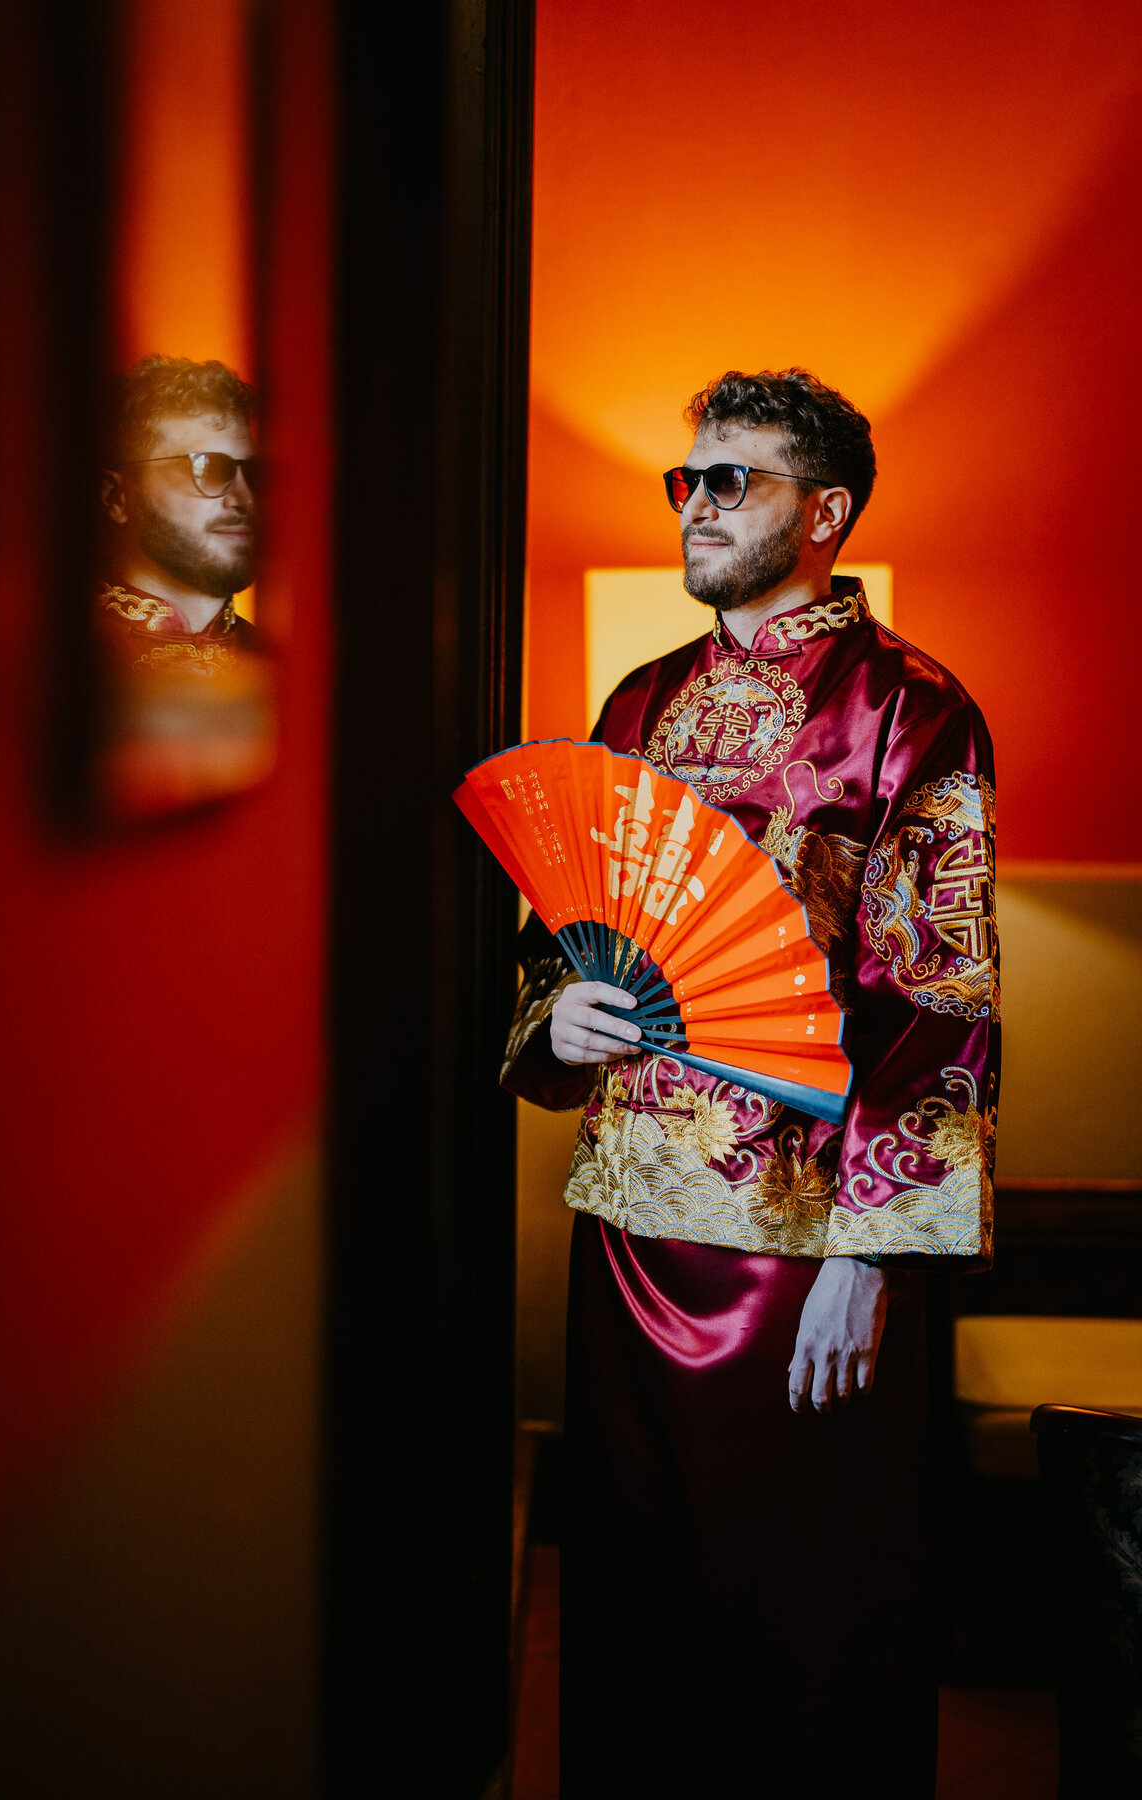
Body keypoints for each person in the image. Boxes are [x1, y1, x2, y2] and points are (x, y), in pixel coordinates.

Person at [501, 369, 998, 1797]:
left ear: (826, 510)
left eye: (737, 480)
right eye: (690, 479)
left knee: (803, 1604)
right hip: (624, 1220)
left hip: (804, 1238)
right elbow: (566, 938)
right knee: (629, 1595)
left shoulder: (915, 707)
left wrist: (869, 1249)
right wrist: (565, 1022)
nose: (699, 504)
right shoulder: (640, 697)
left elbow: (938, 995)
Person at [95, 356, 272, 816]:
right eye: (209, 468)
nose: (245, 500)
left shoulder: (284, 664)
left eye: (253, 473)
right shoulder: (60, 663)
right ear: (116, 496)